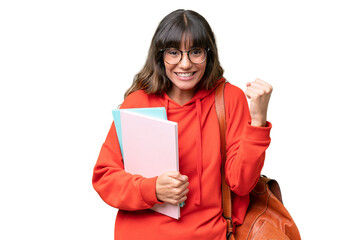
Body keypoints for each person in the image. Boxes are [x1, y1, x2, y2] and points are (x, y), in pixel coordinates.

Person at [92, 9, 272, 240]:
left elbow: (241, 184)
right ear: (161, 56)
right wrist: (153, 189)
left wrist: (257, 122)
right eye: (174, 53)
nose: (185, 64)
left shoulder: (228, 99)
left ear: (209, 55)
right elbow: (105, 178)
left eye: (195, 52)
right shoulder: (137, 103)